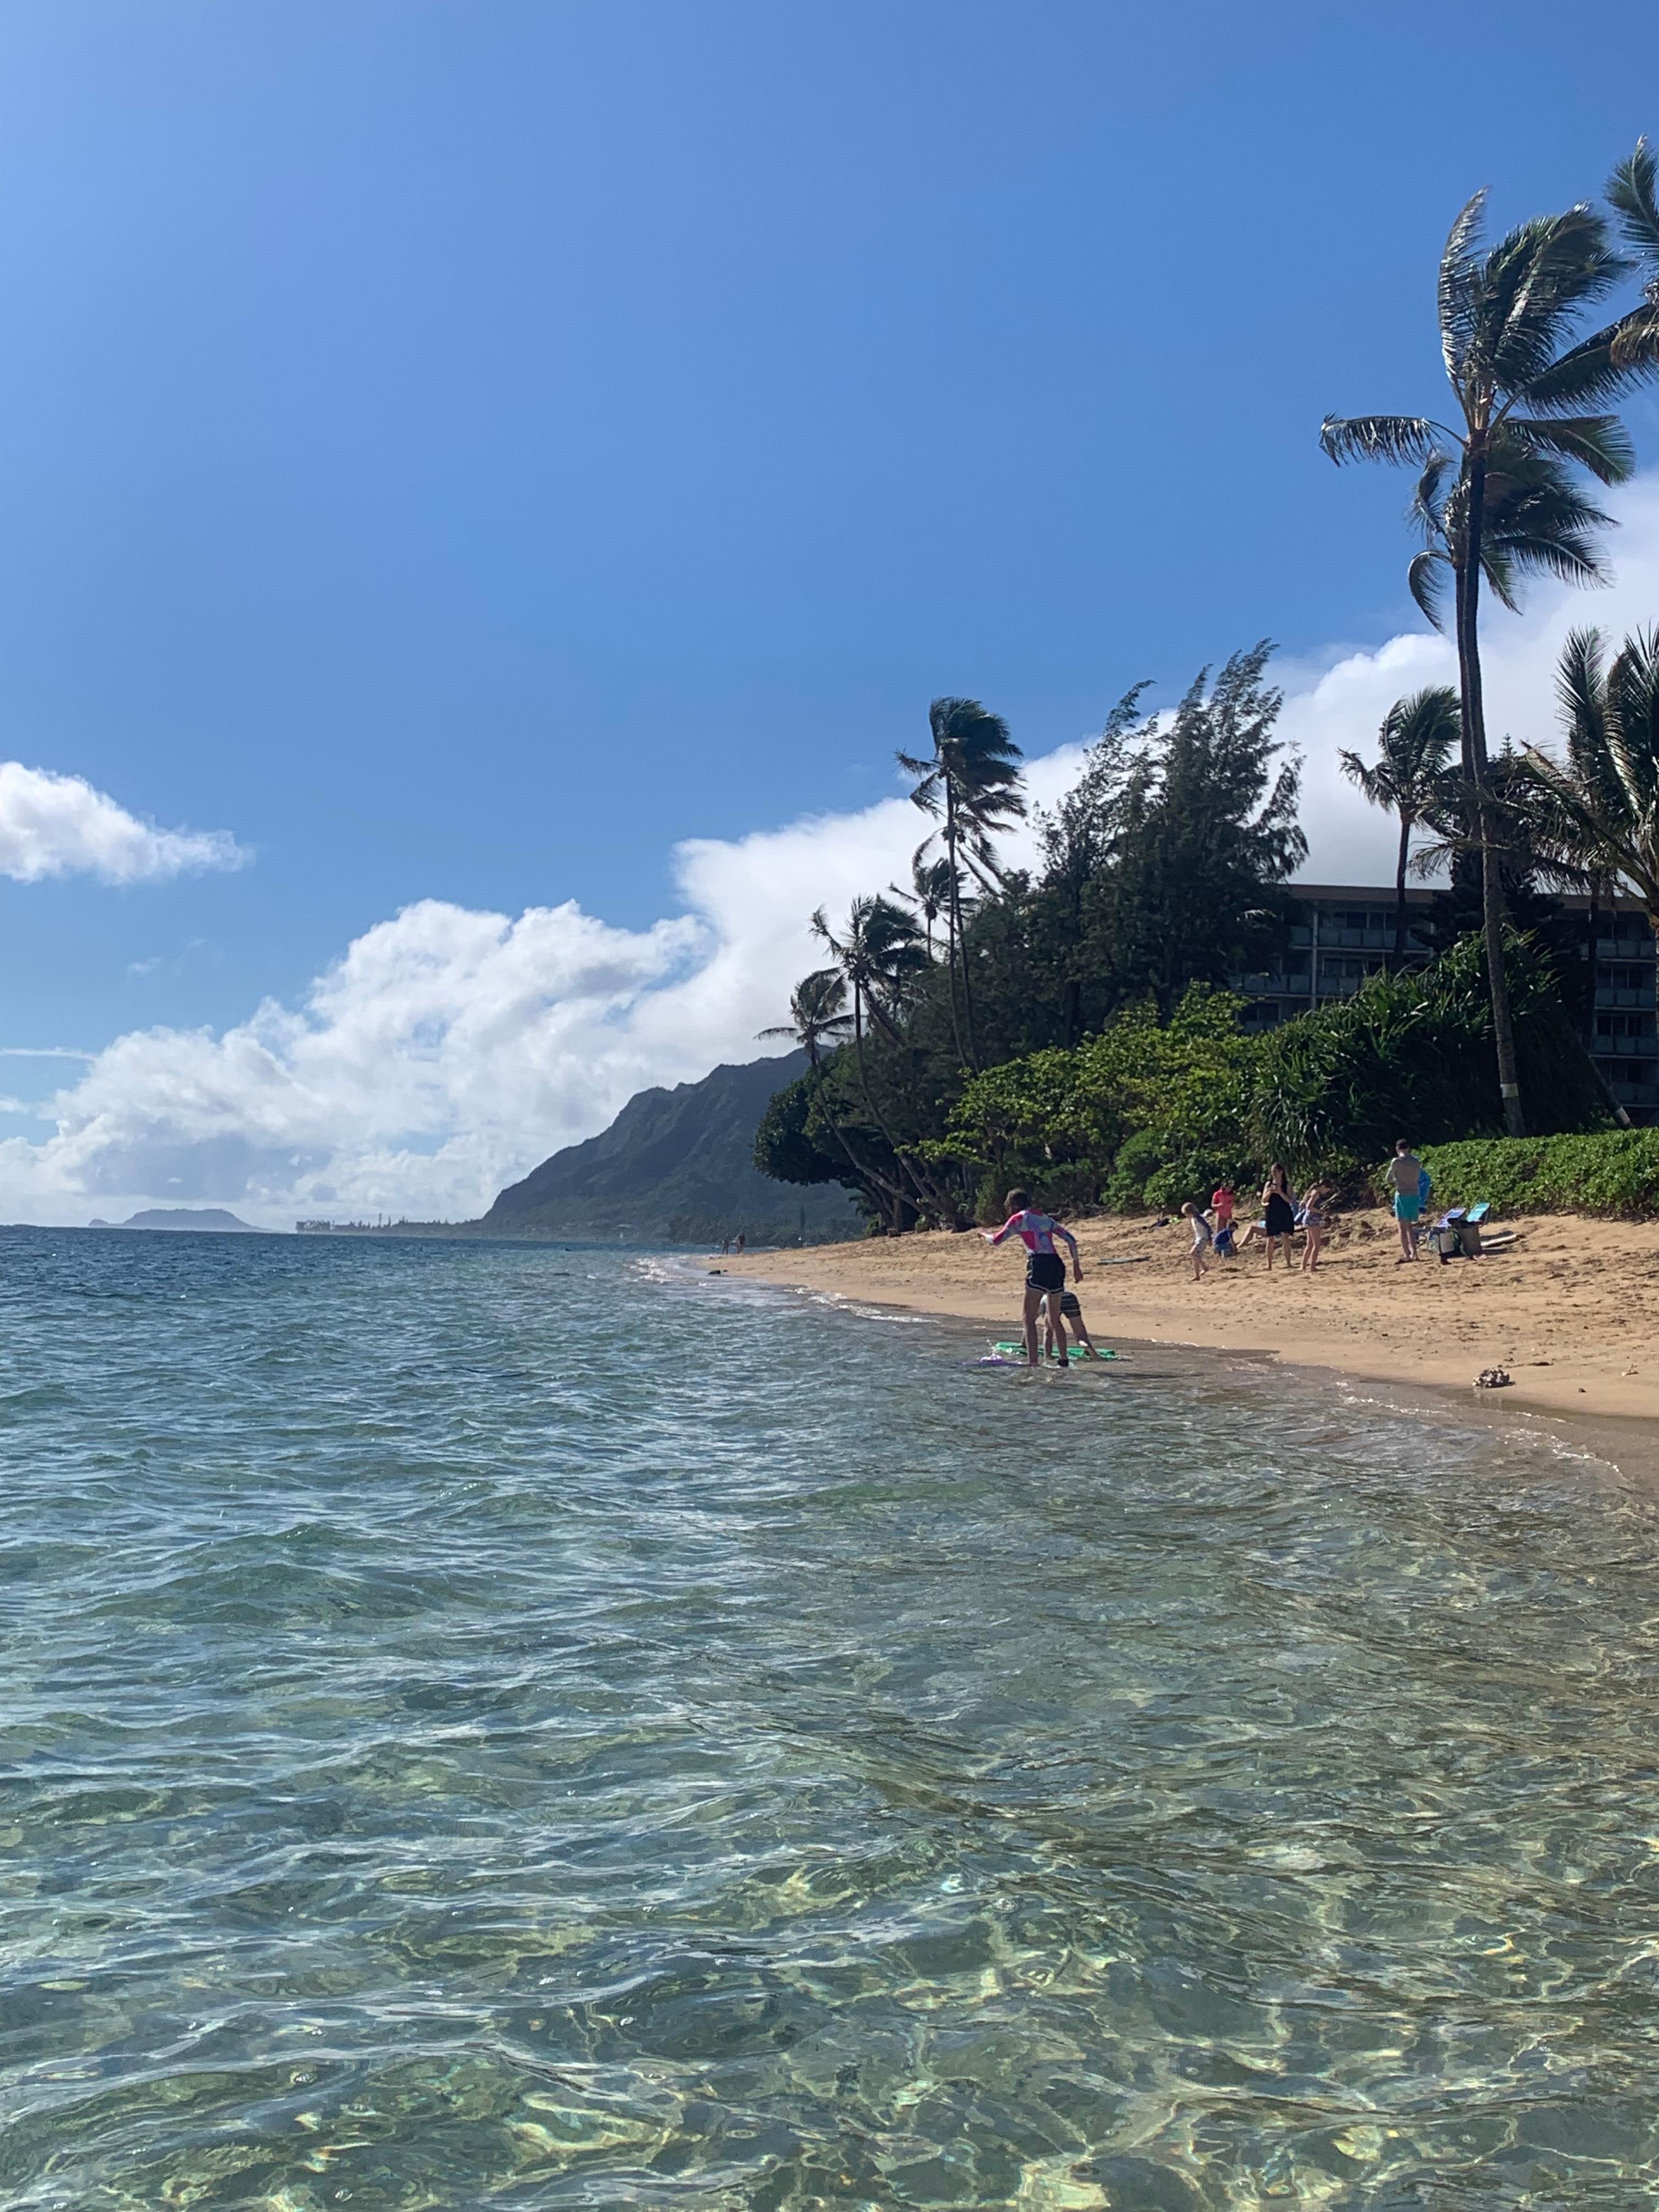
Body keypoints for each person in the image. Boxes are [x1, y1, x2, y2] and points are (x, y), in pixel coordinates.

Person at [982, 1189, 1082, 1369]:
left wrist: (983, 1236)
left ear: (1014, 1205)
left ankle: (1033, 1362)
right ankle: (1064, 1360)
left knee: (1028, 1318)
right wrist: (1076, 1266)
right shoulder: (1045, 1218)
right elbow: (1070, 1239)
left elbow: (997, 1240)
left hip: (1038, 1264)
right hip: (1056, 1265)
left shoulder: (1019, 1219)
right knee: (1054, 1319)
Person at [1044, 1286, 1104, 1362]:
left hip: (1053, 1300)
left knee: (1048, 1332)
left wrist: (1024, 1343)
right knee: (1080, 1335)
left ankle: (1048, 1357)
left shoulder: (1042, 1299)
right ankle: (1088, 1348)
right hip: (1070, 1298)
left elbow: (1031, 1321)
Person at [1387, 1139, 1423, 1263]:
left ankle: (1407, 1254)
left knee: (1402, 1227)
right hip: (1414, 1194)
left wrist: (1397, 1177)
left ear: (1398, 1149)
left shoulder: (1396, 1162)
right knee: (1410, 1227)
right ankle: (1415, 1253)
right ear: (1409, 1148)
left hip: (1402, 1194)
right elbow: (1418, 1177)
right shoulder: (1416, 1161)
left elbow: (1388, 1179)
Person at [1261, 1164, 1296, 1269]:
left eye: (1275, 1172)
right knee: (1270, 1238)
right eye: (1272, 1172)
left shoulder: (1287, 1184)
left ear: (1281, 1172)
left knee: (1285, 1236)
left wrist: (1280, 1192)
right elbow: (1263, 1201)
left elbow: (1290, 1200)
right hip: (1272, 1212)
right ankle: (1269, 1265)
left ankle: (1288, 1262)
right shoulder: (1269, 1184)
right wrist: (1270, 1193)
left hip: (1284, 1211)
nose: (1273, 1174)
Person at [1299, 1182, 1330, 1273]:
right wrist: (1322, 1213)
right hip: (1313, 1219)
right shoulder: (1316, 1193)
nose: (1326, 1192)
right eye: (1327, 1190)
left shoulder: (1312, 1192)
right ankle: (1312, 1266)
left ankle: (1303, 1266)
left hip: (1308, 1219)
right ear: (1323, 1186)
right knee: (1317, 1244)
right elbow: (1309, 1207)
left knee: (1310, 1244)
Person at [1181, 1201, 1214, 1281]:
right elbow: (1198, 1231)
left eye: (1186, 1214)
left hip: (1204, 1238)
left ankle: (1204, 1267)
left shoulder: (1198, 1218)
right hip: (1199, 1238)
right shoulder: (1193, 1219)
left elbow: (1207, 1228)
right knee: (1195, 1257)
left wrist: (1210, 1239)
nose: (1186, 1216)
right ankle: (1197, 1276)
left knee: (1193, 1253)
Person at [1211, 1182, 1237, 1257]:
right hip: (1220, 1213)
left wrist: (1231, 1204)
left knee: (1229, 1230)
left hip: (1228, 1213)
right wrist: (1219, 1205)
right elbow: (1213, 1205)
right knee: (1219, 1231)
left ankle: (1228, 1246)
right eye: (1228, 1188)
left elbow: (1232, 1203)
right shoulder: (1218, 1194)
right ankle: (1216, 1247)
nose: (1229, 1189)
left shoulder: (1231, 1194)